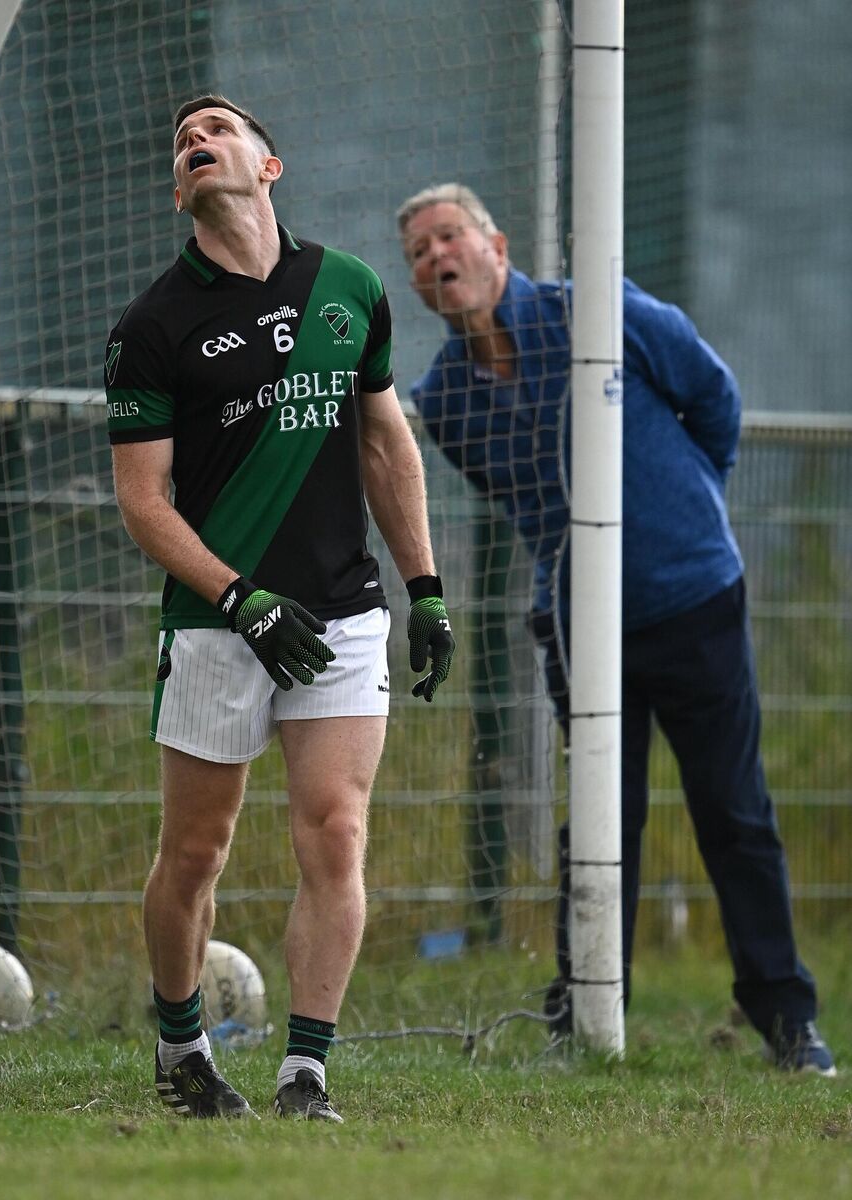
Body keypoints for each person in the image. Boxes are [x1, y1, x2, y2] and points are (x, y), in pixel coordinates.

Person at [396, 182, 835, 1076]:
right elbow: (519, 504)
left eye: (449, 238)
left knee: (734, 814)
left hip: (694, 599)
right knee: (598, 823)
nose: (436, 260)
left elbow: (712, 399)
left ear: (496, 247)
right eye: (417, 253)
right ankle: (588, 1018)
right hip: (578, 624)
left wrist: (681, 511)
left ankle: (786, 1021)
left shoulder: (599, 315)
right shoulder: (443, 401)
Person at [104, 96, 455, 1123]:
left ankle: (305, 1070)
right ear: (181, 191)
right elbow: (141, 501)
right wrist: (235, 595)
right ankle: (180, 1050)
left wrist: (424, 588)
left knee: (336, 835)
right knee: (196, 853)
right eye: (180, 141)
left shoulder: (346, 288)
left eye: (215, 127)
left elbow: (387, 445)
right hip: (218, 622)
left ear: (267, 164)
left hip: (341, 615)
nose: (195, 139)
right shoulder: (151, 325)